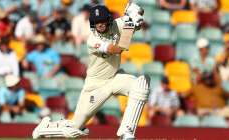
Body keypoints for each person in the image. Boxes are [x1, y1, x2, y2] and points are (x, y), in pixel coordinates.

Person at [33, 4, 148, 140]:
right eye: (96, 22)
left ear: (109, 19)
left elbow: (137, 21)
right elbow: (115, 49)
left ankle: (127, 134)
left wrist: (135, 19)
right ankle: (44, 129)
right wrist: (130, 27)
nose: (100, 24)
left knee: (141, 85)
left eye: (102, 20)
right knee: (75, 130)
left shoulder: (119, 24)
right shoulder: (92, 40)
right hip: (96, 86)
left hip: (115, 77)